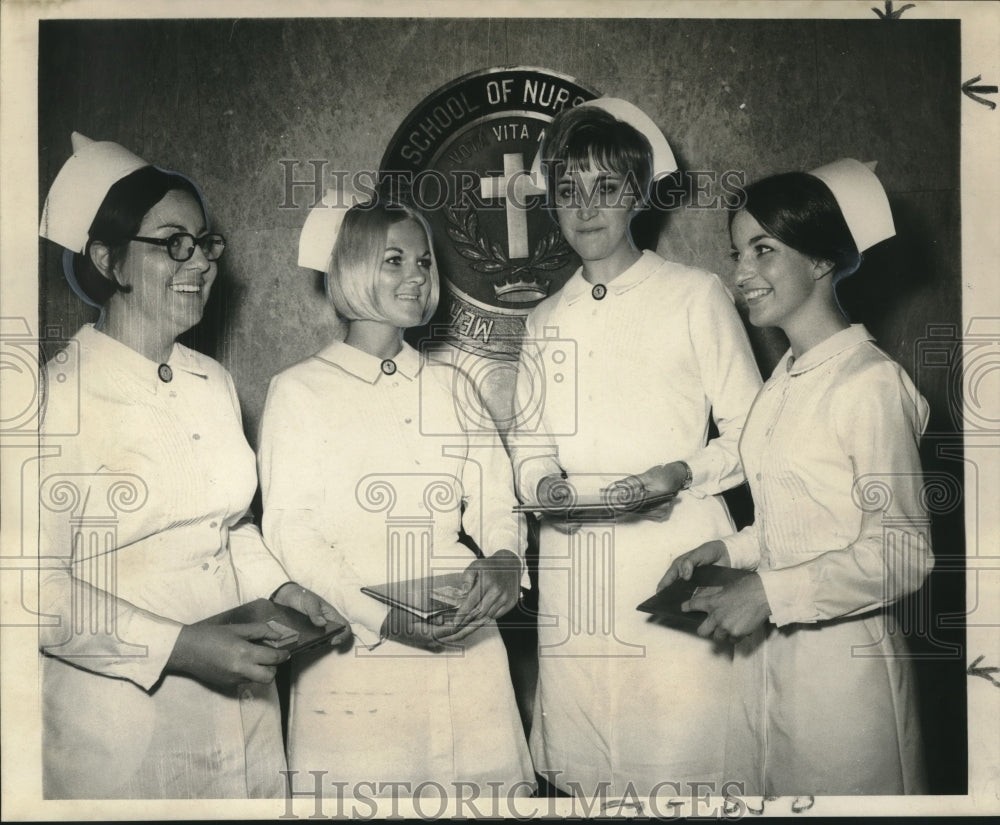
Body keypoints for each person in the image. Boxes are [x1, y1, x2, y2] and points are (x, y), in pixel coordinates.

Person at [37, 133, 347, 799]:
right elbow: (30, 593)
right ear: (109, 259)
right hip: (123, 724)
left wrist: (287, 591)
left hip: (242, 700)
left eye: (204, 242)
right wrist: (179, 647)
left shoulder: (211, 380)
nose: (200, 261)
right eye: (173, 242)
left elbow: (229, 524)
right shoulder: (51, 399)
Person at [507, 99, 763, 798]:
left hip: (673, 557)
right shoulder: (544, 318)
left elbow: (756, 433)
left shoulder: (695, 295)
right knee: (592, 769)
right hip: (577, 567)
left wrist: (680, 470)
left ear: (638, 196)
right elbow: (530, 450)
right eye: (568, 191)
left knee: (686, 762)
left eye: (606, 188)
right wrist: (547, 488)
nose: (586, 208)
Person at [660, 159, 932, 795]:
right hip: (773, 665)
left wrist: (767, 594)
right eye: (737, 253)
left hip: (846, 680)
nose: (740, 274)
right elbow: (798, 518)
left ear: (820, 261)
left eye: (763, 251)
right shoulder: (785, 378)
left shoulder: (869, 383)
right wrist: (728, 549)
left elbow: (905, 553)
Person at [257, 191, 533, 798]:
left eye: (424, 262)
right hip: (356, 652)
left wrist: (507, 560)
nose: (416, 276)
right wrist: (385, 619)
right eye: (394, 260)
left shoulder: (452, 383)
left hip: (467, 639)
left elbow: (496, 499)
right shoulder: (299, 391)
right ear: (352, 269)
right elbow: (291, 533)